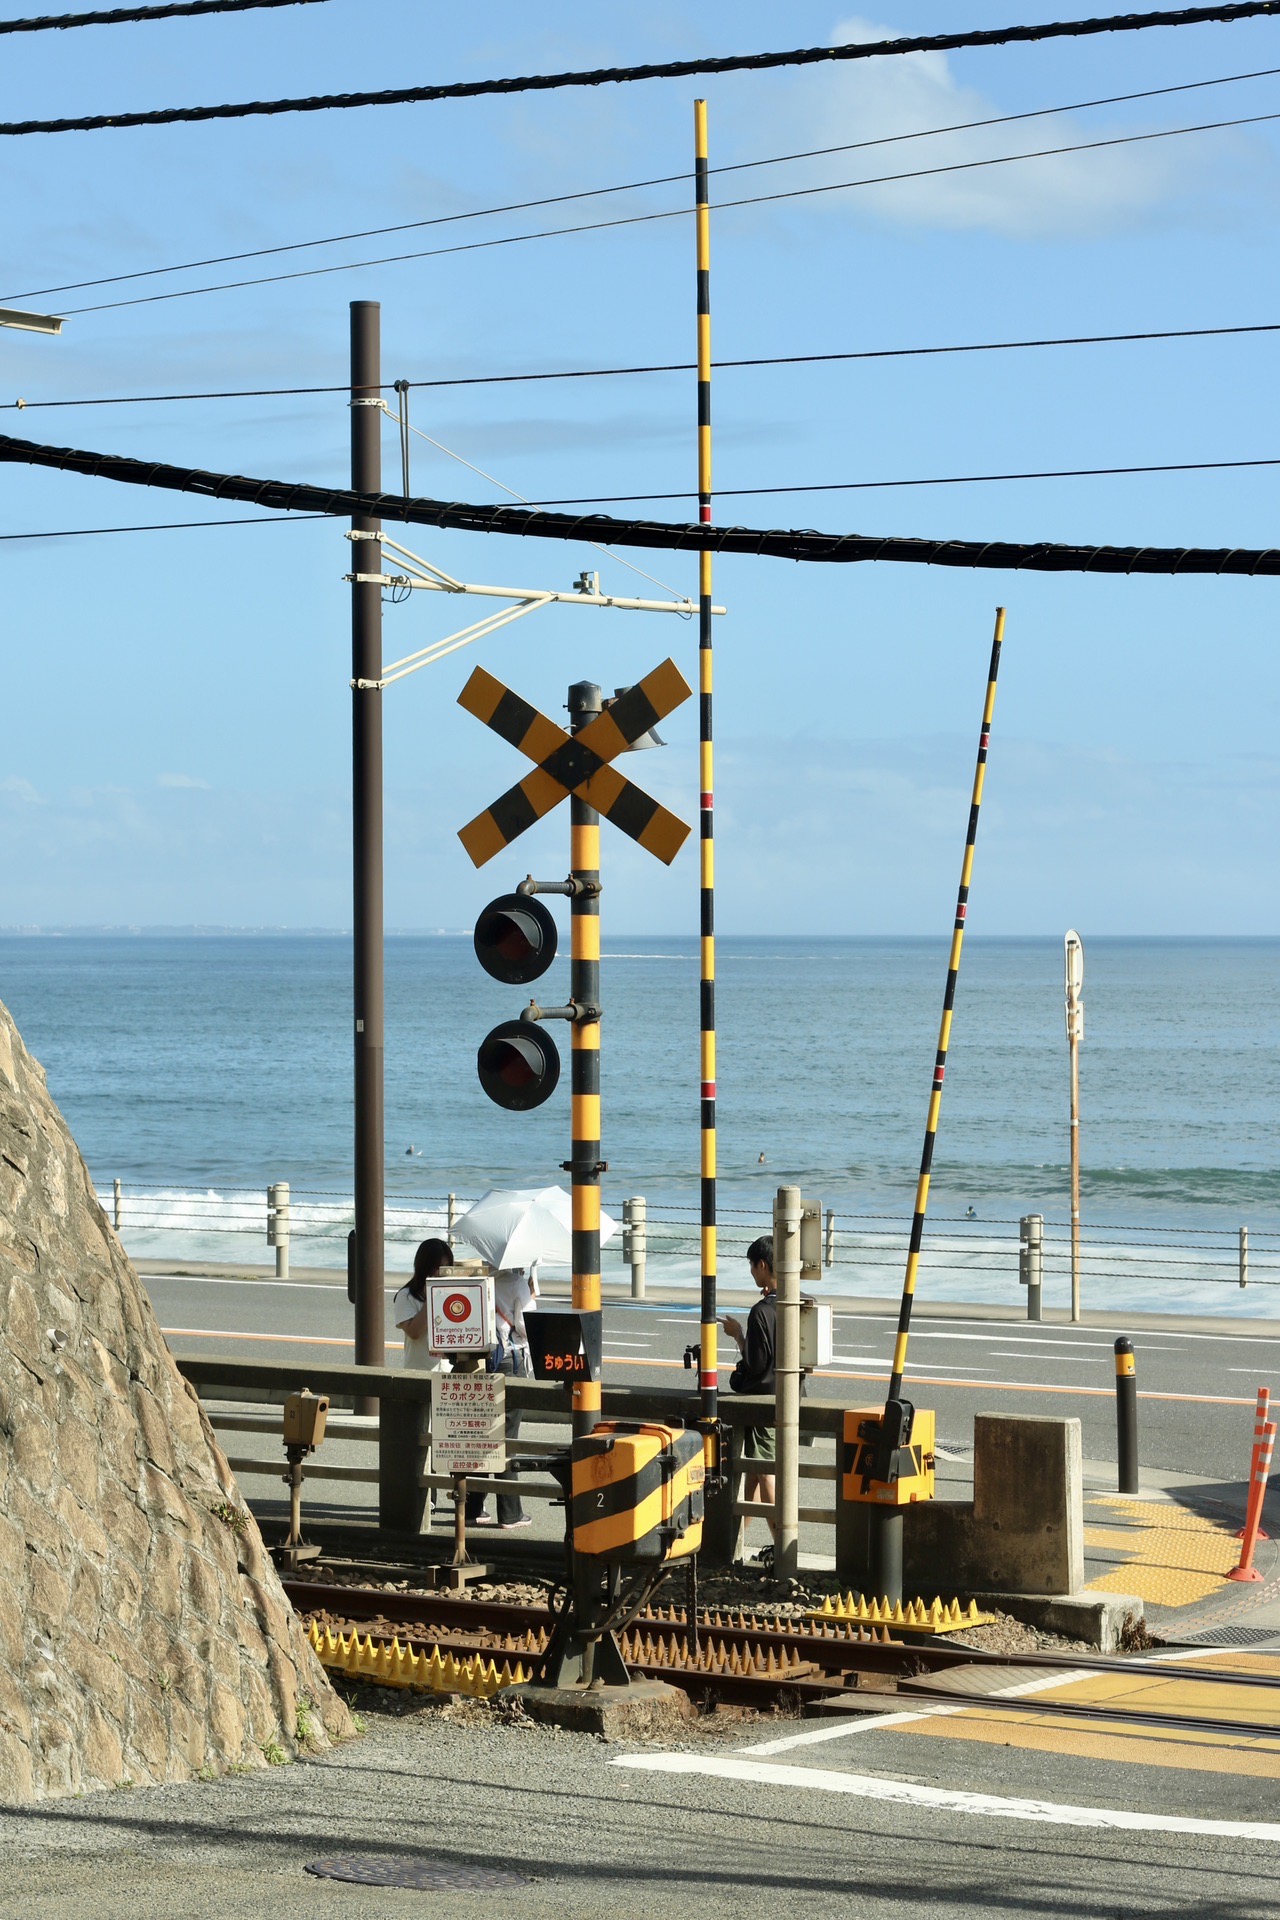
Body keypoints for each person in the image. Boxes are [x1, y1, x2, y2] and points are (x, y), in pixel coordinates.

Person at [466, 1263, 539, 1531]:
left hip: (479, 1360)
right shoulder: (517, 1284)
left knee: (479, 1433)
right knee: (507, 1436)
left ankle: (473, 1508)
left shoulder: (479, 1281)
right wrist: (530, 1297)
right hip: (509, 1360)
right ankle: (509, 1513)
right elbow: (527, 1328)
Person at [722, 1234, 777, 1555]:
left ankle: (783, 1546)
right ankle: (733, 1544)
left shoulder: (760, 1312)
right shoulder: (800, 1300)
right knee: (755, 1475)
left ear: (762, 1264)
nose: (751, 1272)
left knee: (765, 1474)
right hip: (789, 1398)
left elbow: (756, 1363)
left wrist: (739, 1336)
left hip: (761, 1404)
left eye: (751, 1265)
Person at [393, 1238, 454, 1522]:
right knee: (423, 1441)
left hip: (448, 1374)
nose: (441, 1275)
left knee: (448, 1440)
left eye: (446, 1269)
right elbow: (414, 1333)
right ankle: (426, 1499)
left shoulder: (453, 1295)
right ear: (424, 1267)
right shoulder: (407, 1296)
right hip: (419, 1374)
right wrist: (433, 1298)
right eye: (437, 1269)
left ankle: (455, 1496)